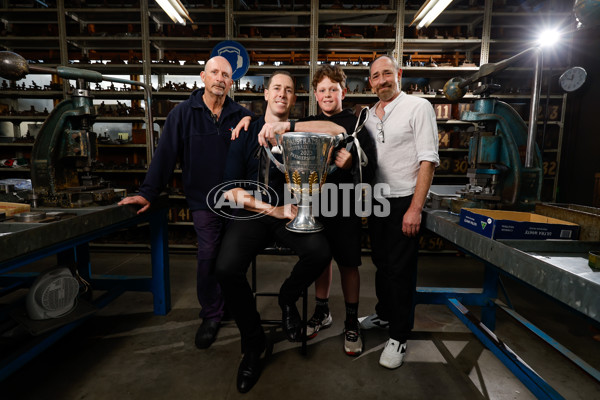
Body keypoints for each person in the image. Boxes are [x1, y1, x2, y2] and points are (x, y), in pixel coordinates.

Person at [214, 70, 345, 394]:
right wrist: (271, 210)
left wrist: (288, 128)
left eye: (289, 90)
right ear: (266, 94)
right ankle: (254, 344)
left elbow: (339, 129)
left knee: (320, 252)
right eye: (276, 88)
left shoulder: (301, 129)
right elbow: (229, 192)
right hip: (254, 215)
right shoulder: (244, 131)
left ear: (295, 99)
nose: (282, 94)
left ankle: (288, 299)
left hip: (292, 213)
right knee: (226, 268)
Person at [118, 56, 252, 350]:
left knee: (234, 257)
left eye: (226, 75)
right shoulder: (182, 114)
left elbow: (256, 151)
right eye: (214, 73)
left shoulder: (241, 114)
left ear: (232, 82)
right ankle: (212, 314)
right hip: (203, 200)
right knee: (208, 255)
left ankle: (231, 304)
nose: (220, 78)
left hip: (238, 200)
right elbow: (165, 155)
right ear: (203, 77)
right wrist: (148, 192)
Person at [258, 65, 377, 356]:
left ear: (343, 92)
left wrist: (352, 164)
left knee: (349, 263)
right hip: (316, 203)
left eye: (332, 90)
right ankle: (322, 312)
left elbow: (372, 164)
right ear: (314, 94)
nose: (327, 95)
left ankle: (351, 320)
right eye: (321, 90)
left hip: (345, 203)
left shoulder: (356, 122)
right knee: (322, 260)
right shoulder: (307, 121)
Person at [358, 55, 439, 369]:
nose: (382, 80)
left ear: (399, 74)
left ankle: (399, 335)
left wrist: (415, 208)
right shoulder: (368, 115)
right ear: (370, 82)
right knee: (381, 264)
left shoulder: (418, 108)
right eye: (376, 76)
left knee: (400, 270)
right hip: (378, 200)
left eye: (387, 73)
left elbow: (427, 160)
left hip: (404, 200)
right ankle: (384, 314)